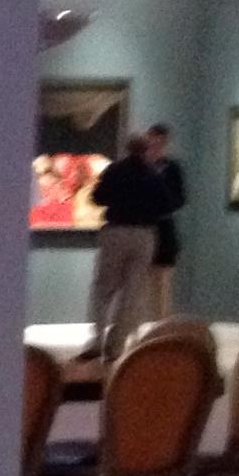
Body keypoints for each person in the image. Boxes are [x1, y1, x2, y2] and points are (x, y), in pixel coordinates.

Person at [84, 127, 173, 356]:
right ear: (145, 149)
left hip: (116, 232)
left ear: (127, 148)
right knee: (132, 293)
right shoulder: (154, 174)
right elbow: (165, 206)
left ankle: (96, 341)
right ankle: (116, 345)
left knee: (104, 289)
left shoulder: (115, 170)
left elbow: (98, 197)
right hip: (144, 235)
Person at [142, 122, 189, 319]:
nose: (154, 146)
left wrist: (162, 203)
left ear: (165, 143)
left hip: (163, 226)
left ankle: (161, 324)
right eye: (151, 141)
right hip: (142, 226)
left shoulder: (172, 168)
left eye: (159, 142)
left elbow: (180, 197)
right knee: (142, 281)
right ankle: (142, 325)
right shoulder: (140, 167)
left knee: (163, 281)